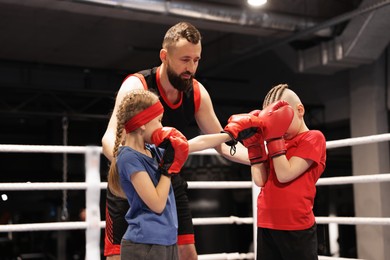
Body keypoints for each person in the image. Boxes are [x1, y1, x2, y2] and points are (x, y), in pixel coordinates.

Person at [101, 21, 249, 260]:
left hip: (169, 176)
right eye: (185, 59)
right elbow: (109, 138)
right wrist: (136, 167)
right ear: (165, 56)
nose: (191, 67)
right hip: (131, 183)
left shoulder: (197, 92)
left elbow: (220, 143)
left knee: (187, 254)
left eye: (197, 60)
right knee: (119, 256)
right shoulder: (137, 86)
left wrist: (262, 156)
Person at [107, 89, 233, 260]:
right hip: (144, 244)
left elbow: (196, 143)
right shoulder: (128, 158)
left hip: (166, 240)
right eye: (158, 120)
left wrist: (230, 135)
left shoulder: (152, 150)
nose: (161, 126)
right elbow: (157, 204)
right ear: (143, 123)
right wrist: (168, 170)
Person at [225, 83, 327, 259]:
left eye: (282, 121)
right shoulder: (276, 142)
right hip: (266, 222)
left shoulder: (313, 138)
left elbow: (285, 174)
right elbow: (260, 180)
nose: (278, 127)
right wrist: (255, 146)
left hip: (296, 226)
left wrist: (273, 137)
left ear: (300, 110)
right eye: (272, 123)